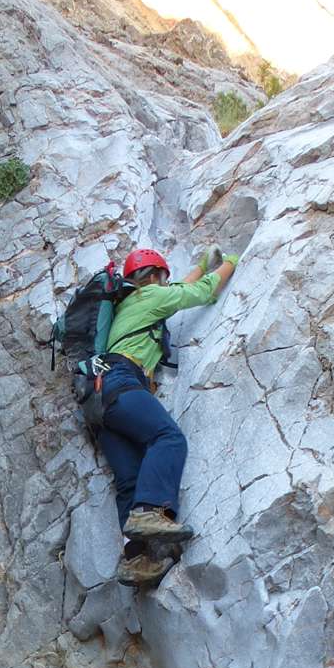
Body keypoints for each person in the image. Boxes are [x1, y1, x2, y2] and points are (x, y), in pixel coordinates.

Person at [97, 244, 238, 587]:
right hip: (123, 381)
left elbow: (176, 290)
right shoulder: (151, 297)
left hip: (97, 401)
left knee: (129, 480)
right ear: (156, 277)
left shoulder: (130, 304)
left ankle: (137, 559)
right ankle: (150, 512)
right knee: (167, 438)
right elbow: (201, 292)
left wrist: (201, 264)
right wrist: (232, 262)